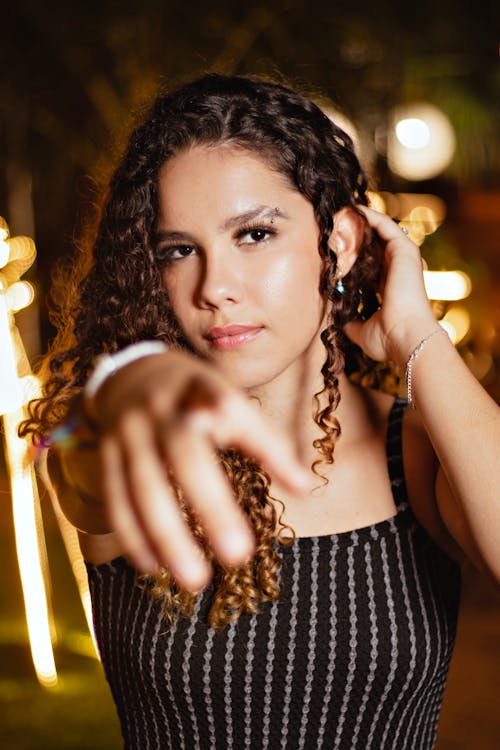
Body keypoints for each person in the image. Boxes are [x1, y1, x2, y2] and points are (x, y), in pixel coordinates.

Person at [23, 73, 499, 749]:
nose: (215, 287)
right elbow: (68, 452)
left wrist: (420, 338)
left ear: (340, 241)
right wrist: (123, 387)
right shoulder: (130, 438)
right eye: (179, 250)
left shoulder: (418, 447)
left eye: (253, 234)